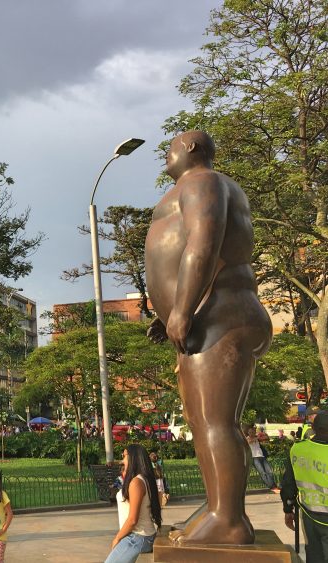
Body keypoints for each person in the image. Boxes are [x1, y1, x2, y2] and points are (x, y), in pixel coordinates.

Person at [145, 130, 272, 544]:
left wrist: (181, 310)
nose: (166, 153)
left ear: (191, 149)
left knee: (216, 421)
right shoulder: (197, 186)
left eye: (171, 146)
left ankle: (229, 519)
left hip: (219, 315)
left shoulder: (202, 182)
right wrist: (168, 315)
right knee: (202, 422)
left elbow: (202, 242)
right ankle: (219, 509)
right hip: (205, 319)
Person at [281, 410, 328, 562]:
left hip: (309, 516)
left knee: (314, 556)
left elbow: (289, 483)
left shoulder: (298, 449)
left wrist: (288, 509)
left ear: (313, 428)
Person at [105, 445, 162, 563]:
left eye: (124, 456)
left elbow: (132, 520)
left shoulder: (137, 482)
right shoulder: (144, 479)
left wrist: (117, 538)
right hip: (141, 536)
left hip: (136, 537)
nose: (122, 460)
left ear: (133, 458)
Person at [246, 426, 278, 491]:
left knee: (269, 471)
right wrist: (257, 437)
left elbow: (267, 438)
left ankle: (273, 485)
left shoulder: (257, 437)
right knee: (263, 473)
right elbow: (249, 441)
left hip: (261, 456)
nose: (252, 433)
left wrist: (261, 435)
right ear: (248, 433)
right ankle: (272, 487)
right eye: (250, 432)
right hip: (254, 458)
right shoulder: (247, 438)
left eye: (253, 432)